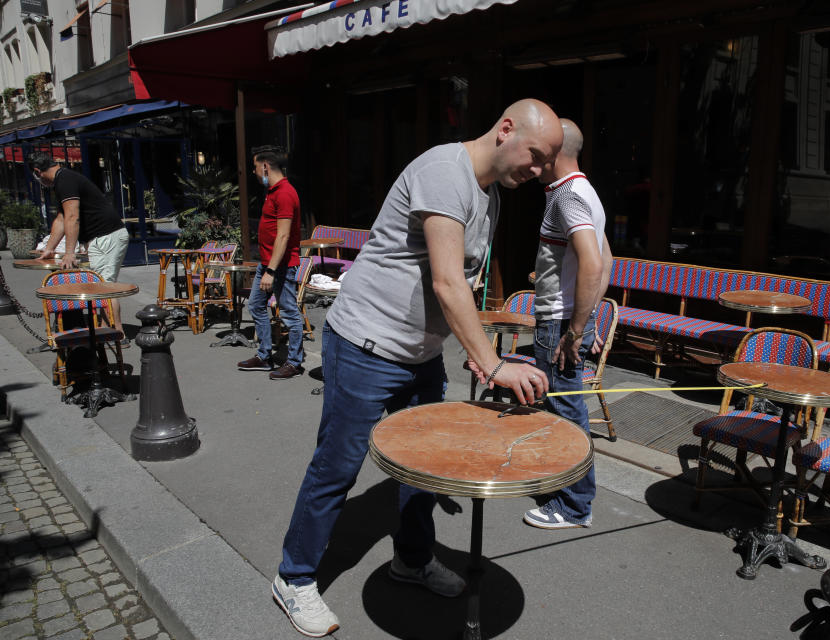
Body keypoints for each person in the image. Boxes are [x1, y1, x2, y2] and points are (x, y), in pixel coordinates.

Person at [272, 99, 563, 637]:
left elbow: (465, 284)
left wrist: (480, 355)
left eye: (548, 163)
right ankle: (294, 577)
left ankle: (411, 559)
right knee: (337, 466)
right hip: (365, 344)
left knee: (427, 467)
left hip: (420, 354)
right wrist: (492, 363)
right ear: (505, 131)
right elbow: (447, 282)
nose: (541, 170)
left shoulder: (490, 194)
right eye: (537, 156)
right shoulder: (443, 172)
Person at [523, 119, 613, 530]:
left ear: (555, 149)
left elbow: (595, 264)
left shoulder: (567, 196)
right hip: (567, 317)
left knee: (565, 412)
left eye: (539, 150)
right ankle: (568, 494)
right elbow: (605, 260)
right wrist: (588, 317)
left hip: (559, 322)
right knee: (564, 408)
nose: (533, 160)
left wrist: (576, 330)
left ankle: (574, 506)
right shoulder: (584, 192)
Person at [30, 151, 130, 326]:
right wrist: (49, 248)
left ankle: (117, 336)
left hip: (106, 237)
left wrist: (69, 253)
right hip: (102, 237)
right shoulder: (64, 179)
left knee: (103, 288)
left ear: (38, 172)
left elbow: (72, 217)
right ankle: (105, 331)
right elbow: (61, 219)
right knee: (101, 286)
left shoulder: (65, 180)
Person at [237, 145, 305, 381]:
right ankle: (265, 356)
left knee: (289, 312)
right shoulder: (273, 191)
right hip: (267, 264)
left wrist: (271, 270)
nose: (254, 172)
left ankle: (295, 362)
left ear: (265, 166)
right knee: (255, 305)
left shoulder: (285, 193)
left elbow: (284, 235)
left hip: (280, 266)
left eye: (255, 167)